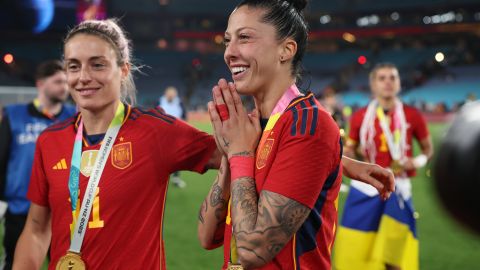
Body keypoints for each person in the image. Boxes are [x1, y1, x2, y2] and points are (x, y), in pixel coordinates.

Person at [197, 1, 394, 269]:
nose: (229, 53)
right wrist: (231, 155)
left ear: (286, 50)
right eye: (228, 41)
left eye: (244, 38)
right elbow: (208, 236)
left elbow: (253, 252)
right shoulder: (250, 126)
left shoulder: (309, 125)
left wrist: (240, 153)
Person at [13, 19, 222, 269]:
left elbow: (228, 154)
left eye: (98, 65)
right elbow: (36, 229)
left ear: (123, 70)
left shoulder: (155, 130)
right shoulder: (50, 140)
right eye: (73, 66)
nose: (83, 77)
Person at [333, 63, 433, 270]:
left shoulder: (413, 114)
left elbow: (428, 150)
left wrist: (415, 162)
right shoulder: (360, 116)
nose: (388, 82)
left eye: (392, 77)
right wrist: (350, 153)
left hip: (399, 188)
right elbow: (352, 149)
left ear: (399, 83)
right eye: (382, 78)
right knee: (357, 247)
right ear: (373, 84)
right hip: (365, 188)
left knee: (393, 255)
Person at [0, 60, 75, 270]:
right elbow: (1, 158)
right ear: (40, 84)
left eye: (66, 82)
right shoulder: (14, 115)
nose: (65, 87)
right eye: (58, 81)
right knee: (15, 264)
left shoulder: (76, 118)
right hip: (20, 208)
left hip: (64, 211)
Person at [159, 86, 188, 188]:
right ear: (165, 94)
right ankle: (161, 178)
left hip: (176, 134)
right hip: (162, 134)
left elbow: (184, 117)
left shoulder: (179, 103)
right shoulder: (160, 102)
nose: (171, 95)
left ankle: (176, 178)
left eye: (173, 94)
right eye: (169, 93)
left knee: (177, 156)